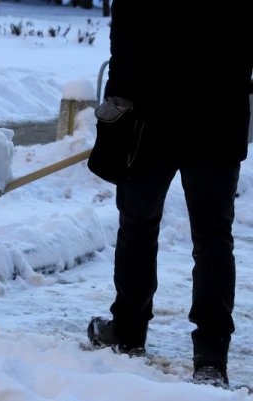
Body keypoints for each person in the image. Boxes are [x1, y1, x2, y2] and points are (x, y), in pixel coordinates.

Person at [86, 0, 252, 389]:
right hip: (213, 116)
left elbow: (125, 29)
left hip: (154, 117)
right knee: (211, 238)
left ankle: (128, 331)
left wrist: (120, 97)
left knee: (140, 227)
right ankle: (210, 358)